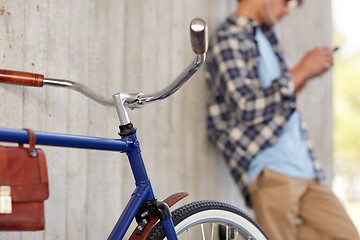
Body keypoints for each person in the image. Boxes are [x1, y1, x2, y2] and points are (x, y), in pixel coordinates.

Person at [205, 0, 360, 239]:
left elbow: (279, 104)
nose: (288, 10)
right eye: (287, 2)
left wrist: (306, 75)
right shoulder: (229, 37)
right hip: (271, 170)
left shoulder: (266, 35)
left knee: (346, 234)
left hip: (306, 167)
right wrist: (302, 70)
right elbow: (246, 107)